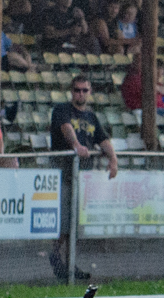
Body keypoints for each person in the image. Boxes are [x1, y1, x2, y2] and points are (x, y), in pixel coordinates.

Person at [48, 74, 118, 280]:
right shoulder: (62, 110)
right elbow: (66, 128)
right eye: (77, 90)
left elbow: (103, 139)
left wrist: (113, 159)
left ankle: (70, 263)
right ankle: (55, 254)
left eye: (84, 90)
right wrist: (76, 145)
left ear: (90, 92)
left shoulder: (91, 117)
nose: (80, 94)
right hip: (63, 173)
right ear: (72, 91)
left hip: (82, 176)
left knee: (75, 222)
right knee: (63, 221)